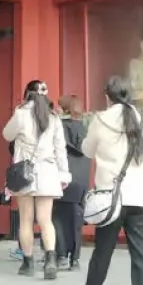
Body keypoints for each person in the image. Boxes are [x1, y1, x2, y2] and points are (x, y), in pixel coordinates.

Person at [76, 76, 143, 285]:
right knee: (142, 256)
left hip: (110, 199)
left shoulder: (100, 120)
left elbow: (87, 150)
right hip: (141, 198)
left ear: (107, 95)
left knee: (103, 252)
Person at [3, 79, 70, 280]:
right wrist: (64, 174)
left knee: (25, 220)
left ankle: (28, 263)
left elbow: (7, 135)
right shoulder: (54, 118)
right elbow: (61, 150)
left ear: (27, 94)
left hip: (25, 173)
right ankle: (50, 260)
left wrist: (18, 110)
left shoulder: (21, 114)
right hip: (48, 171)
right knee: (45, 220)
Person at [54, 94, 89, 271]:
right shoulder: (83, 128)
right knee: (76, 220)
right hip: (81, 178)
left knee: (58, 218)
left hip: (63, 176)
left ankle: (60, 255)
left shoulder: (59, 127)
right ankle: (74, 259)